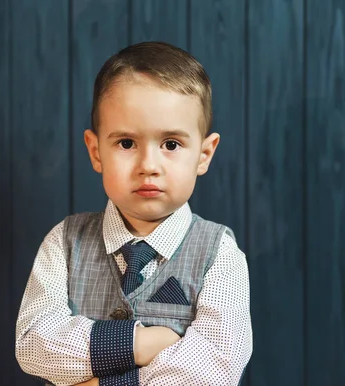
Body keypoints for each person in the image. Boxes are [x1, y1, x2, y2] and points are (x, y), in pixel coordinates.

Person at [15, 41, 252, 386]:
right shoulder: (64, 243)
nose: (148, 166)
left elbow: (213, 369)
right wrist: (137, 344)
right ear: (96, 152)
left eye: (171, 144)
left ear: (204, 154)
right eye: (126, 143)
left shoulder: (220, 255)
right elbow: (33, 345)